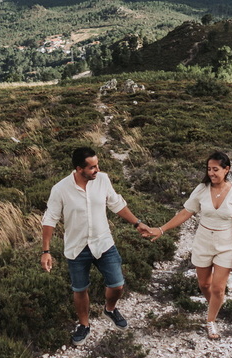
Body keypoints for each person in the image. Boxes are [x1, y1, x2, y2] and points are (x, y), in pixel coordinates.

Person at [41, 147, 150, 346]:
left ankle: (110, 309)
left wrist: (137, 223)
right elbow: (50, 219)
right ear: (79, 169)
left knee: (117, 284)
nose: (97, 170)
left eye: (97, 165)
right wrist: (46, 251)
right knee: (80, 289)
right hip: (77, 248)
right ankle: (84, 325)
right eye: (92, 167)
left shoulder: (103, 180)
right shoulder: (60, 189)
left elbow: (116, 204)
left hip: (103, 243)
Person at [144, 151, 232, 340]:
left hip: (225, 244)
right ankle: (215, 305)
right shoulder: (201, 189)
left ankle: (211, 321)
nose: (211, 173)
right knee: (204, 284)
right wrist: (162, 229)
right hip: (203, 242)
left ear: (226, 170)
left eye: (215, 169)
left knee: (218, 288)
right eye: (209, 169)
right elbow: (186, 212)